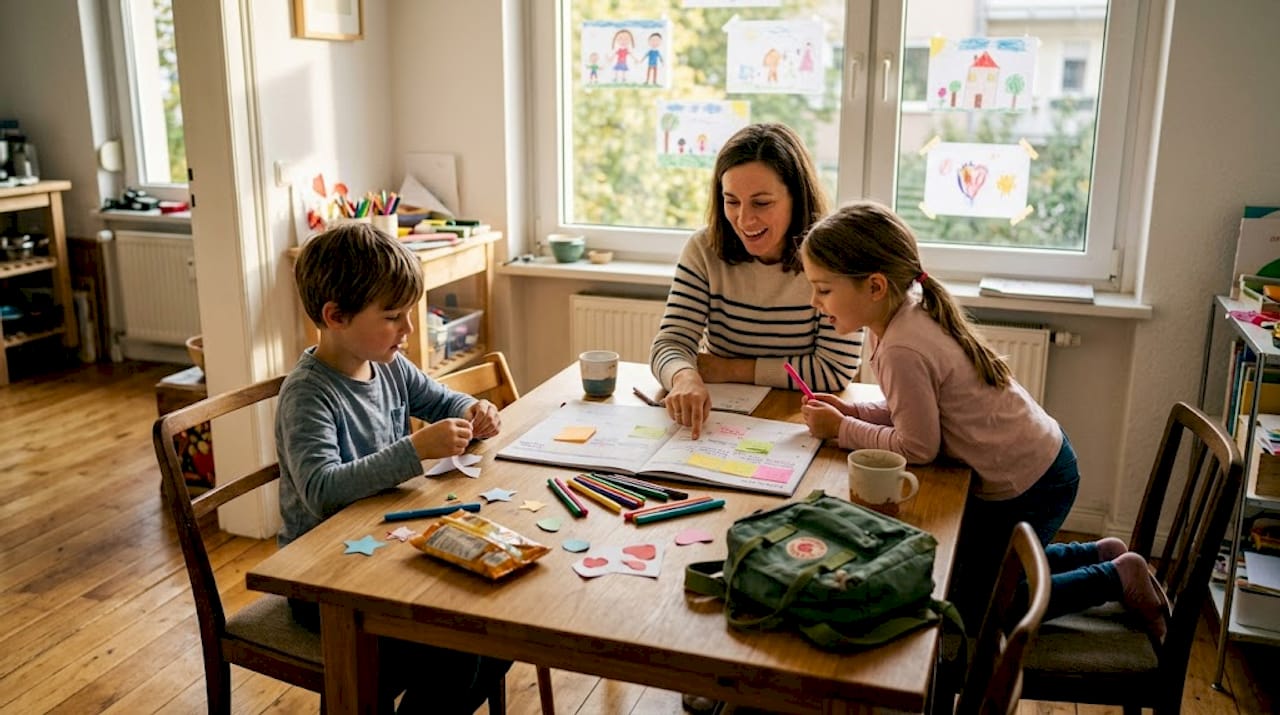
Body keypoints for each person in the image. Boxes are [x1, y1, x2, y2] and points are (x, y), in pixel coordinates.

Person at [797, 201, 1167, 639]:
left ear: (875, 286)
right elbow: (912, 413)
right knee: (969, 573)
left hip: (1030, 484)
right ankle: (1097, 554)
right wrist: (852, 412)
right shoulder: (906, 314)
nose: (814, 301)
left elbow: (918, 448)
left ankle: (1114, 577)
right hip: (1042, 462)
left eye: (823, 289)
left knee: (974, 607)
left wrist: (841, 431)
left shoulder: (901, 347)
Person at [277, 222, 511, 713]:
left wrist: (474, 409)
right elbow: (321, 489)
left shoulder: (389, 363)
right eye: (393, 317)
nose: (408, 330)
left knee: (495, 630)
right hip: (323, 577)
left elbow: (442, 397)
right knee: (455, 650)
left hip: (383, 546)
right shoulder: (308, 394)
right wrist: (414, 449)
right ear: (335, 316)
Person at [650, 122, 865, 440]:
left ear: (797, 197)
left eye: (762, 203)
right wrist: (684, 377)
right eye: (731, 201)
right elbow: (670, 344)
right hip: (722, 422)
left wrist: (728, 369)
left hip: (798, 424)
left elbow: (833, 370)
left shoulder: (836, 256)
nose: (744, 219)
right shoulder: (703, 250)